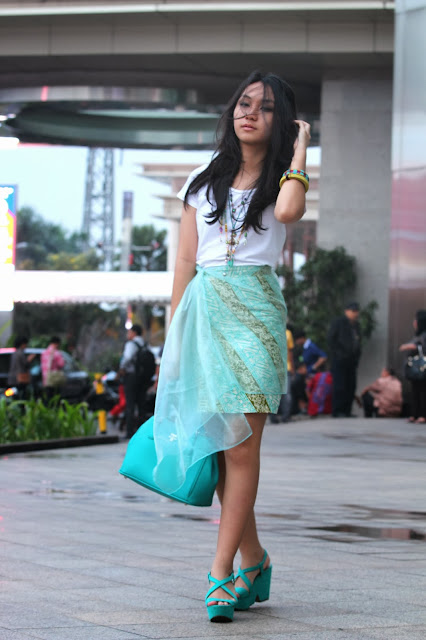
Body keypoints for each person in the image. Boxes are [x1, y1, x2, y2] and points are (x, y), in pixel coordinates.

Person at [149, 70, 310, 622]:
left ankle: (220, 571)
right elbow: (184, 263)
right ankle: (254, 558)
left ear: (281, 120)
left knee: (242, 445)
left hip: (258, 310)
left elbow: (287, 213)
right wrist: (173, 336)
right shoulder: (202, 181)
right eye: (243, 104)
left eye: (264, 107)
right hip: (205, 309)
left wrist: (301, 148)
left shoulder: (286, 178)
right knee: (220, 447)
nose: (249, 114)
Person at [327, 302, 362, 418]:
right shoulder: (339, 322)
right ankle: (337, 410)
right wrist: (339, 353)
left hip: (352, 360)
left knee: (351, 385)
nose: (355, 314)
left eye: (356, 311)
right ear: (346, 311)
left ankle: (347, 411)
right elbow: (331, 339)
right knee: (339, 385)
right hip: (340, 360)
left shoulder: (356, 325)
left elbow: (358, 342)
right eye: (353, 311)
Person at [119, 324, 148, 439]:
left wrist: (121, 369)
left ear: (134, 332)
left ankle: (129, 432)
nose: (128, 334)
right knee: (141, 405)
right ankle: (142, 432)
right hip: (143, 378)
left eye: (129, 332)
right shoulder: (145, 344)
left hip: (131, 377)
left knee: (130, 405)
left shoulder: (131, 344)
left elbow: (127, 357)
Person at [399, 309, 426, 424]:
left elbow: (422, 346)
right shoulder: (419, 334)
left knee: (423, 391)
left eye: (416, 320)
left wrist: (410, 346)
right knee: (415, 391)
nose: (414, 322)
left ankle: (423, 415)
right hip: (416, 368)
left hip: (422, 366)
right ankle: (415, 414)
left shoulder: (424, 334)